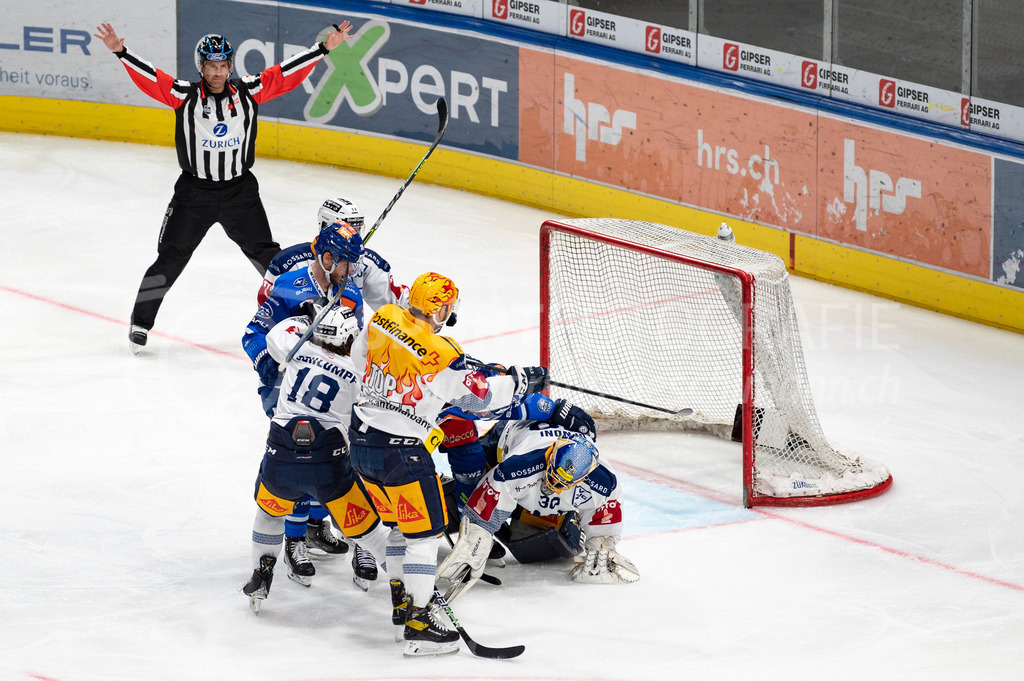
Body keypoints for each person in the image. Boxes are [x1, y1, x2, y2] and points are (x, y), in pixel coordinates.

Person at [92, 20, 354, 353]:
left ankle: (306, 310)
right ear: (201, 66)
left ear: (230, 65)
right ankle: (140, 322)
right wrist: (122, 53)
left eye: (222, 65)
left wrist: (322, 49)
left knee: (273, 260)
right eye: (211, 66)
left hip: (239, 194)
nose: (217, 72)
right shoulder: (183, 96)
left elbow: (283, 74)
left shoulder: (248, 91)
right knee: (169, 260)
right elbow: (153, 78)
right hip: (193, 195)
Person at [347, 271, 549, 657]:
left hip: (362, 445)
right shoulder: (442, 352)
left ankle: (401, 604)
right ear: (439, 308)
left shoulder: (382, 318)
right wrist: (522, 381)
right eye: (447, 308)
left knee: (398, 530)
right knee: (422, 538)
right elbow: (479, 400)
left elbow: (361, 361)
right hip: (401, 455)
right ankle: (419, 621)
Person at [242, 220, 369, 585]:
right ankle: (294, 539)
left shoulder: (351, 295)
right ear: (326, 258)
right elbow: (253, 334)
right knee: (297, 460)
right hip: (289, 391)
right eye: (346, 263)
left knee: (330, 459)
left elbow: (352, 348)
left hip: (328, 392)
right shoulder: (289, 287)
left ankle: (315, 525)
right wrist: (269, 366)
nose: (351, 271)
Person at [241, 302, 390, 613]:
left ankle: (261, 574)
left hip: (280, 457)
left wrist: (309, 312)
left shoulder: (294, 348)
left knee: (269, 514)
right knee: (372, 531)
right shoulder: (358, 373)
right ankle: (409, 592)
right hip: (329, 466)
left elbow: (276, 333)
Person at [435, 419, 639, 603]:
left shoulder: (604, 483)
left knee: (535, 546)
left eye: (561, 483)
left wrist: (601, 545)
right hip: (503, 442)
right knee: (467, 492)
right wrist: (476, 538)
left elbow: (604, 524)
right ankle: (440, 491)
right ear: (551, 455)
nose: (553, 485)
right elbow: (485, 507)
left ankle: (529, 509)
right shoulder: (519, 465)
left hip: (536, 472)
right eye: (553, 476)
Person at [257, 197, 408, 310]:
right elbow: (267, 315)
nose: (353, 234)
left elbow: (396, 303)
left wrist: (423, 304)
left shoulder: (367, 264)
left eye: (357, 228)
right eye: (348, 228)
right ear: (325, 226)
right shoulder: (289, 263)